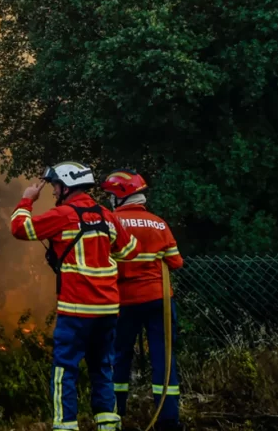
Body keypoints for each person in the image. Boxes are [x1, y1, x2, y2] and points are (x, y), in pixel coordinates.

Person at [12, 162, 139, 431]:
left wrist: (27, 199)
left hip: (76, 309)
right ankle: (108, 425)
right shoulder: (107, 216)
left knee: (65, 368)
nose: (54, 191)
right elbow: (130, 250)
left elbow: (20, 228)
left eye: (56, 186)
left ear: (67, 186)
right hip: (107, 309)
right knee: (102, 367)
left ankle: (66, 426)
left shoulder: (63, 215)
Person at [101, 169, 184, 431]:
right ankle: (168, 419)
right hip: (160, 300)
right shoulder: (159, 223)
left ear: (120, 196)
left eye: (111, 196)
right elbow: (176, 262)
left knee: (118, 355)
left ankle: (115, 414)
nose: (109, 200)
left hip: (124, 301)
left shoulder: (111, 222)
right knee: (163, 357)